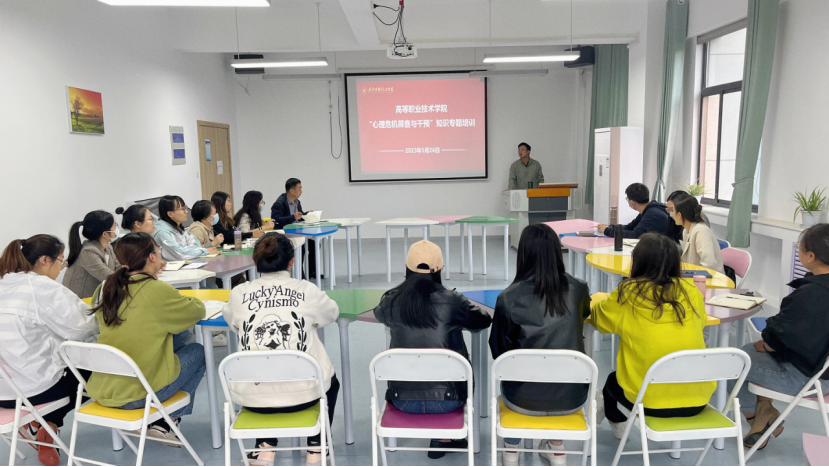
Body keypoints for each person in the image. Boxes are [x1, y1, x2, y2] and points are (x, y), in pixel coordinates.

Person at [222, 232, 339, 467]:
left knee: (261, 371)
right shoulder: (307, 290)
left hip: (251, 399)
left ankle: (264, 448)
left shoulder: (238, 293)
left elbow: (233, 324)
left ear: (255, 262)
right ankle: (317, 446)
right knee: (331, 381)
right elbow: (331, 313)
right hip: (305, 396)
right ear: (291, 262)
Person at [373, 240, 492, 460]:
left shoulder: (391, 301)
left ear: (406, 268)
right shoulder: (453, 302)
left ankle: (442, 438)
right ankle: (444, 437)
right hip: (450, 400)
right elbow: (483, 320)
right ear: (441, 269)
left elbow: (379, 314)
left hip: (402, 400)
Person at [590, 233, 714, 439]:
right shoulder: (691, 292)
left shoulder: (628, 294)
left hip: (648, 402)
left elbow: (599, 320)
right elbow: (700, 323)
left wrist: (601, 301)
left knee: (612, 382)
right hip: (697, 400)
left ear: (637, 261)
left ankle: (616, 422)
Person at [87, 233, 206, 446]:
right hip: (138, 394)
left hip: (104, 389)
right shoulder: (155, 289)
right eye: (158, 249)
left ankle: (162, 421)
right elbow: (197, 310)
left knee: (179, 337)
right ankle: (167, 421)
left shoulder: (106, 287)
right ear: (152, 257)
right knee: (198, 351)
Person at [489, 224, 591, 467]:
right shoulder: (578, 289)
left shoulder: (508, 297)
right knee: (560, 371)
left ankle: (511, 449)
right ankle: (557, 448)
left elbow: (498, 351)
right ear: (556, 251)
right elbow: (584, 315)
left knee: (513, 373)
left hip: (521, 398)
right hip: (572, 397)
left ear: (523, 254)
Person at [728, 224, 829, 450]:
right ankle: (764, 411)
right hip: (822, 371)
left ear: (811, 256)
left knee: (735, 361)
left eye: (799, 247)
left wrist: (766, 345)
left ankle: (756, 419)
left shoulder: (810, 294)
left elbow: (776, 336)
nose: (798, 250)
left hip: (808, 380)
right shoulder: (815, 288)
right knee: (749, 351)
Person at [0, 235, 98, 467]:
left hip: (3, 393)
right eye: (61, 261)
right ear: (45, 260)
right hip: (34, 392)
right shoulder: (40, 287)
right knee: (101, 374)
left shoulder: (4, 282)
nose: (61, 268)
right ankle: (46, 423)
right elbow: (82, 327)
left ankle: (42, 425)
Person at [63, 210, 122, 298]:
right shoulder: (88, 252)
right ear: (105, 234)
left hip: (95, 299)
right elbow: (110, 278)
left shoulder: (107, 247)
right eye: (114, 225)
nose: (117, 227)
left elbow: (118, 267)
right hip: (80, 301)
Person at [270, 179, 320, 278]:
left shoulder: (297, 202)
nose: (301, 191)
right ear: (292, 191)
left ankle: (312, 271)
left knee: (314, 244)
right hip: (285, 234)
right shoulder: (279, 203)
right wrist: (293, 217)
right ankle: (300, 274)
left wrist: (307, 214)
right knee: (301, 246)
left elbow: (299, 216)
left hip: (297, 232)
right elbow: (276, 220)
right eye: (299, 188)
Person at [668, 192, 725, 274]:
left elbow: (709, 266)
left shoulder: (701, 232)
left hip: (711, 279)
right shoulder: (686, 230)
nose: (670, 215)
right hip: (697, 275)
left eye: (672, 210)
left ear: (680, 214)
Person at [153, 195, 219, 261]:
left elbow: (196, 245)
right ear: (170, 214)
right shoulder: (162, 233)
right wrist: (204, 251)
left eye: (185, 207)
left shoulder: (178, 228)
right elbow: (179, 254)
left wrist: (187, 250)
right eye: (182, 209)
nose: (186, 211)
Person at [598, 183, 670, 239]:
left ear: (632, 202)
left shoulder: (653, 214)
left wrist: (606, 231)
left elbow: (635, 235)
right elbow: (630, 227)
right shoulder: (647, 210)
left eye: (627, 199)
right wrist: (610, 227)